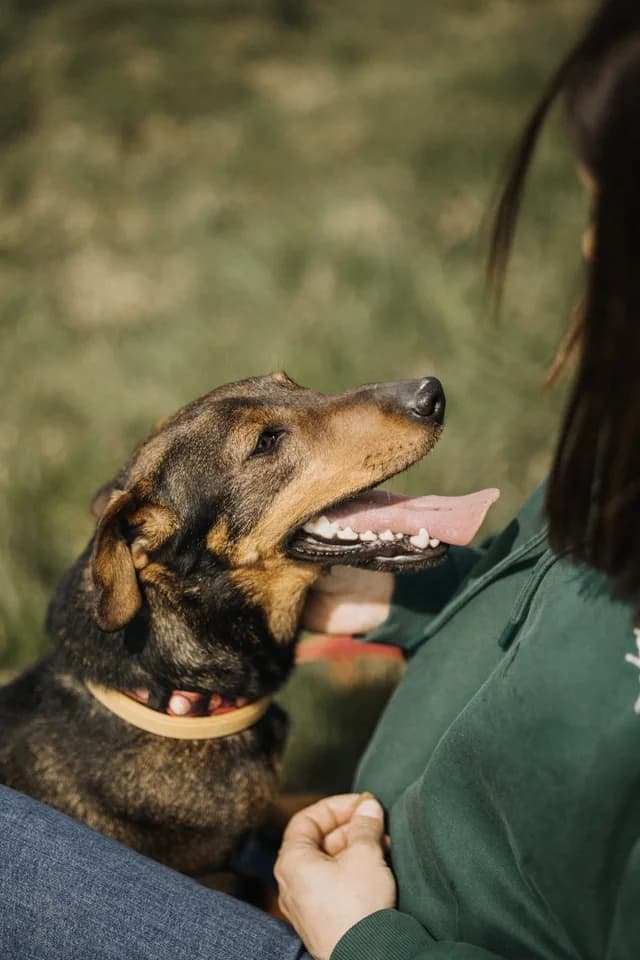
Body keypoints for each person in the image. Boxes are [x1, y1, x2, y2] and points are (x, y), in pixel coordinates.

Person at [2, 0, 640, 957]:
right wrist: (414, 597)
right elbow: (553, 602)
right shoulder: (622, 441)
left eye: (610, 209)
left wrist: (360, 937)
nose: (589, 245)